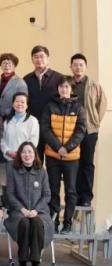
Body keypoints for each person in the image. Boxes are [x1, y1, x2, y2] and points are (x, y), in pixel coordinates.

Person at [41, 77, 87, 233]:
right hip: (53, 156)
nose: (64, 89)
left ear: (71, 89)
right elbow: (45, 128)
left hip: (71, 157)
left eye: (67, 87)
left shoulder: (79, 107)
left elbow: (80, 131)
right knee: (53, 189)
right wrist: (58, 147)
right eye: (61, 86)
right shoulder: (50, 106)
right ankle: (53, 222)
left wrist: (67, 148)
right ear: (58, 89)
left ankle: (67, 224)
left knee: (71, 191)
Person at [3, 142, 55, 266]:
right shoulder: (13, 171)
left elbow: (47, 195)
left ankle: (36, 260)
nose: (27, 155)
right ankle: (22, 259)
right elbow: (10, 194)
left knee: (37, 223)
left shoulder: (42, 172)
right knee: (24, 223)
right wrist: (22, 209)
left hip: (39, 212)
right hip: (18, 211)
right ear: (20, 155)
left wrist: (36, 210)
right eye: (24, 152)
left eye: (30, 152)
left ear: (35, 154)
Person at [69, 53, 106, 208]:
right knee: (73, 164)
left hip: (89, 131)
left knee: (87, 163)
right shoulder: (67, 84)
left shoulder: (93, 85)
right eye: (75, 65)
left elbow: (102, 104)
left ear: (85, 67)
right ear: (71, 67)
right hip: (71, 130)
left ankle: (86, 197)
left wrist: (95, 122)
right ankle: (75, 195)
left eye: (81, 65)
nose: (78, 67)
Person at [23, 46, 63, 155]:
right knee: (35, 158)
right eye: (36, 57)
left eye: (42, 56)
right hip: (33, 126)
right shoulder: (26, 79)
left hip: (53, 127)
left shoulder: (59, 78)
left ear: (48, 58)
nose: (39, 59)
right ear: (32, 59)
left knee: (53, 160)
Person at [0, 93, 40, 181]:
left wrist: (21, 153)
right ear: (13, 104)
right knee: (10, 185)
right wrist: (8, 151)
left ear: (27, 105)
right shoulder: (7, 121)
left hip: (26, 160)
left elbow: (34, 140)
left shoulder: (32, 121)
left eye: (22, 102)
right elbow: (2, 139)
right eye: (17, 101)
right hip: (10, 159)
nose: (19, 104)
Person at [0, 53, 28, 117]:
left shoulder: (20, 83)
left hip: (12, 117)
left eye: (10, 63)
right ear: (0, 65)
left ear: (14, 66)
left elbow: (23, 102)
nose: (7, 65)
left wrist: (7, 113)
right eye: (4, 63)